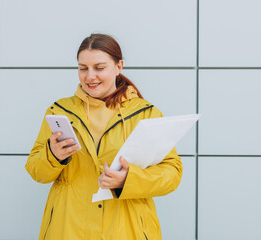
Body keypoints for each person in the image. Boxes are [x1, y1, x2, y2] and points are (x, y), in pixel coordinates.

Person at [25, 33, 183, 240]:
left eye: (99, 68)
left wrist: (129, 179)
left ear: (119, 66)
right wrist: (52, 155)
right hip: (68, 228)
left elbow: (171, 174)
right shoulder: (59, 111)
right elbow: (36, 171)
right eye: (83, 68)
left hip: (126, 230)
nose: (90, 76)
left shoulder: (146, 114)